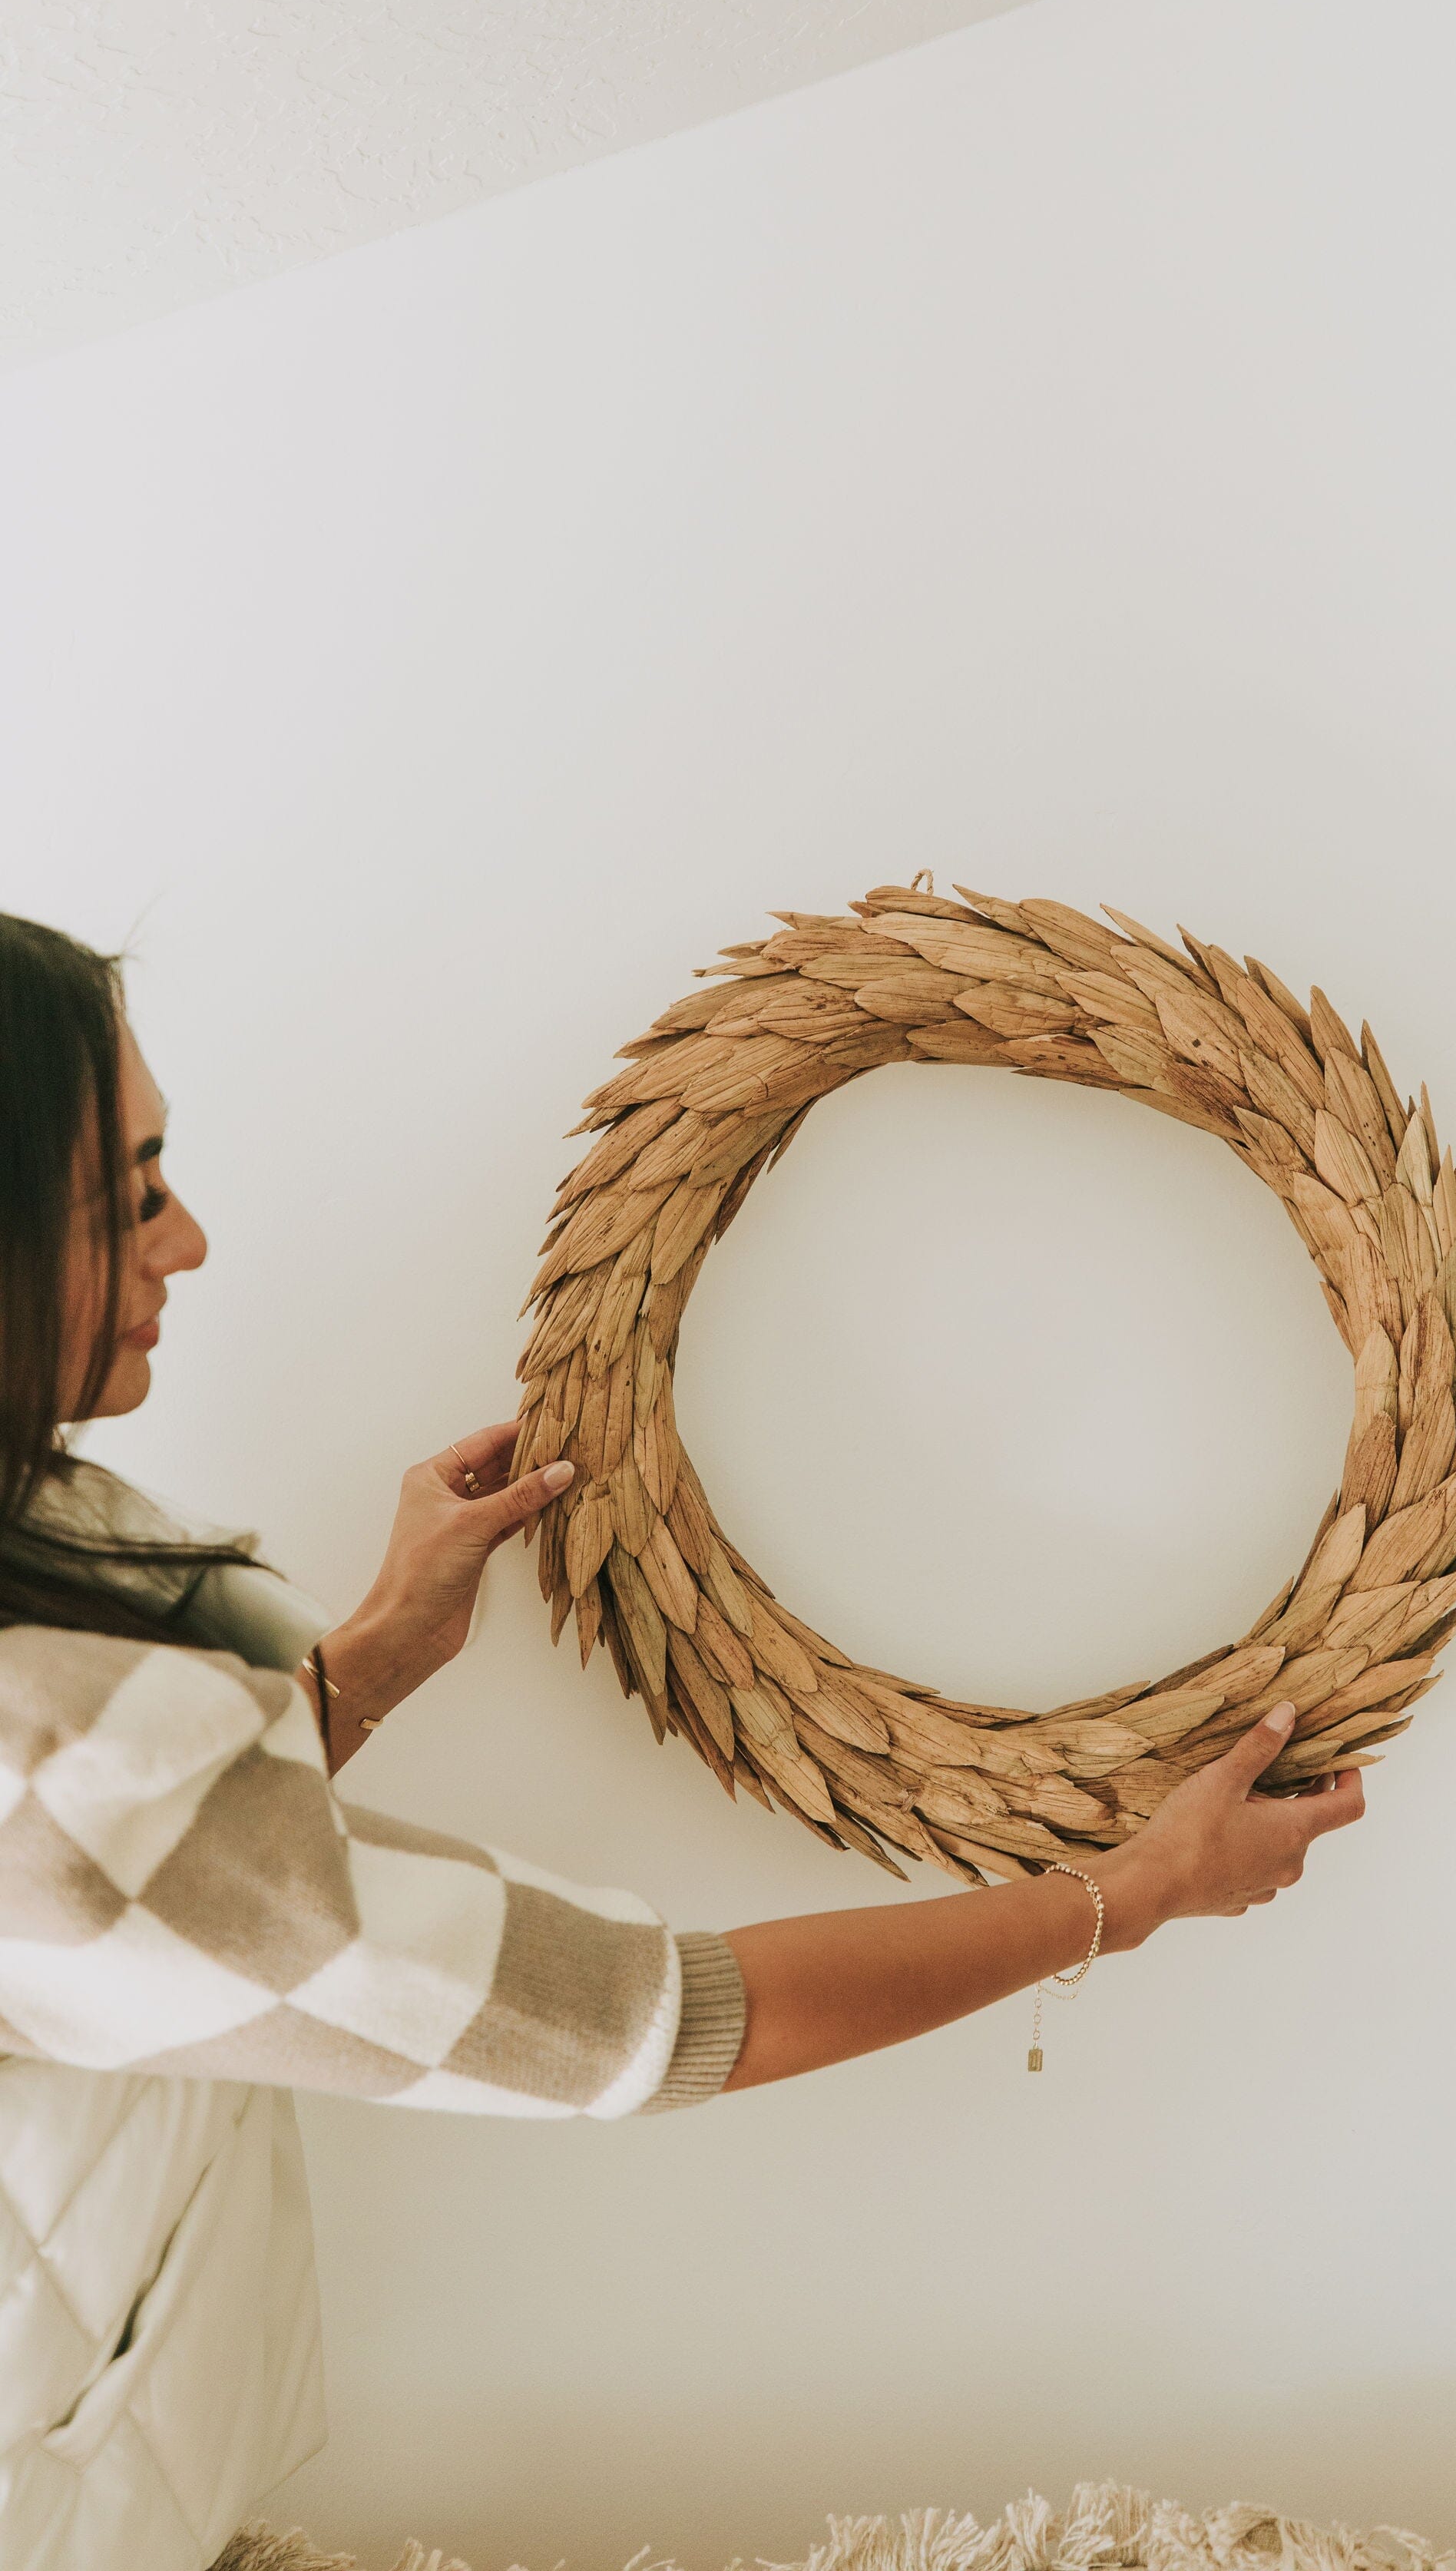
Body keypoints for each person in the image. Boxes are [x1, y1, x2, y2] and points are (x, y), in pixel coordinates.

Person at [0, 912, 1365, 2571]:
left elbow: (144, 1892)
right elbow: (654, 2021)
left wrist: (373, 1658)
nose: (191, 1238)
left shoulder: (47, 1546)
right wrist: (1130, 1893)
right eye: (131, 1192)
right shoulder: (54, 1767)